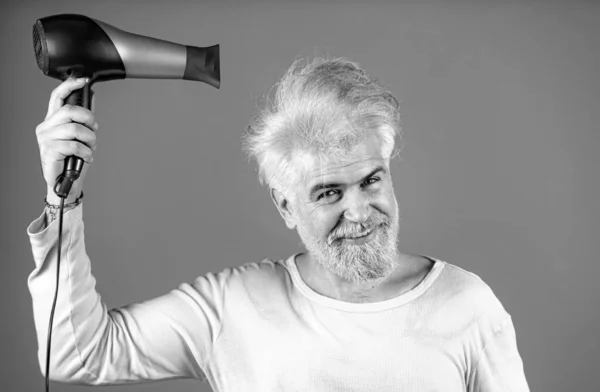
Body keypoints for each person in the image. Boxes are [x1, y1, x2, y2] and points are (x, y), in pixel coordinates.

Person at [28, 57, 530, 391]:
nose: (359, 212)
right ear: (285, 206)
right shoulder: (232, 307)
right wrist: (62, 202)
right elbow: (75, 354)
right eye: (329, 193)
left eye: (371, 181)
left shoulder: (469, 304)